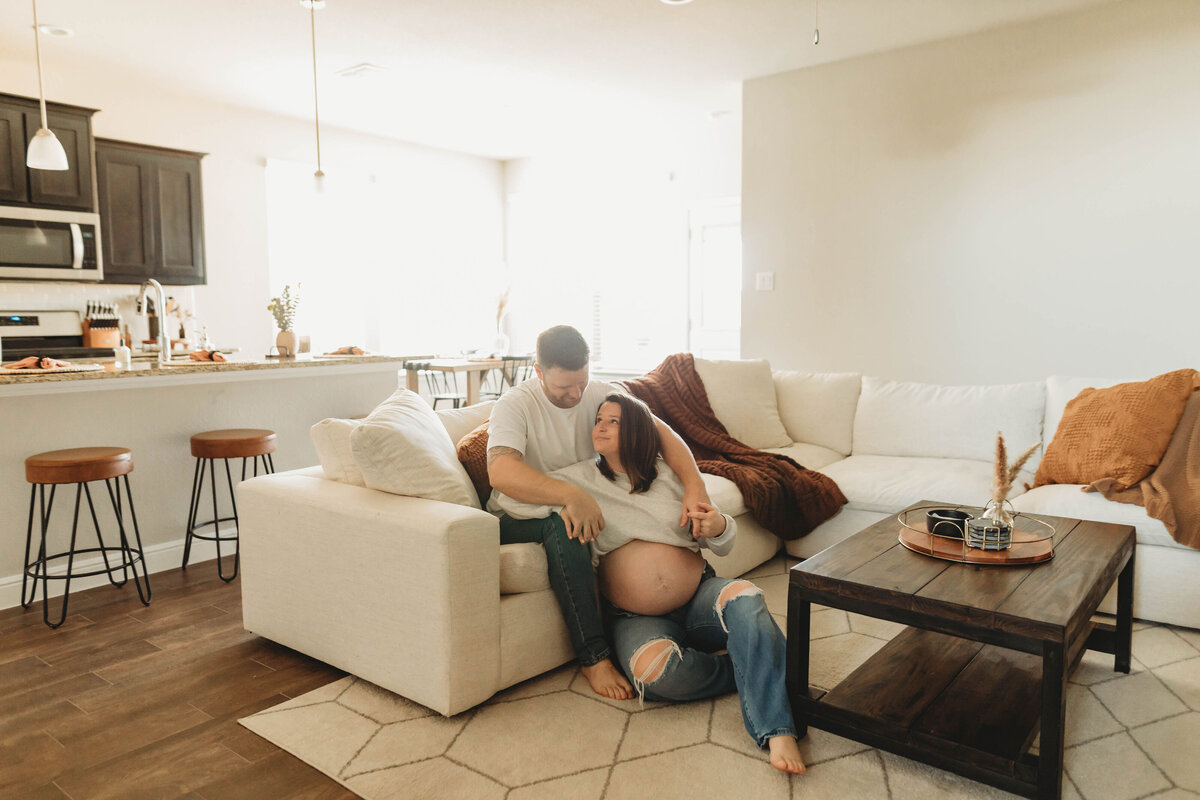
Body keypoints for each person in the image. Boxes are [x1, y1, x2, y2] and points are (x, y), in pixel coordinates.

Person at [497, 392, 806, 774]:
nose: (600, 426)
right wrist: (566, 498)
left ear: (640, 433)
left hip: (698, 598)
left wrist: (719, 525)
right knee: (655, 676)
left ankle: (777, 729)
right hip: (633, 617)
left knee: (748, 598)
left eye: (614, 421)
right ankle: (751, 668)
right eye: (598, 420)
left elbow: (722, 544)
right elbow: (505, 499)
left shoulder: (671, 478)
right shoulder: (576, 480)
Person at [487, 325, 713, 701]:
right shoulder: (514, 405)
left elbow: (662, 435)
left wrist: (695, 485)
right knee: (565, 526)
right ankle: (593, 656)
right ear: (538, 371)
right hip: (516, 513)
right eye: (563, 388)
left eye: (581, 382)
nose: (576, 395)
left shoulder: (600, 394)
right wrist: (570, 495)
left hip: (584, 495)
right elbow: (502, 473)